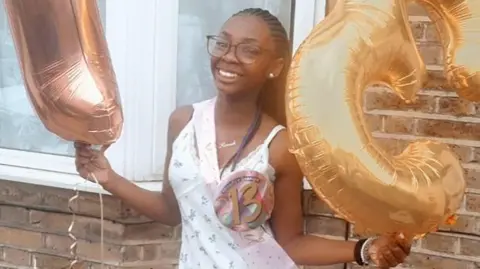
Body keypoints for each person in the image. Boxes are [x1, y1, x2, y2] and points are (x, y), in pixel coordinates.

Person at [75, 8, 411, 269]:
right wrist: (108, 177)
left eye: (249, 50)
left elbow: (291, 243)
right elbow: (172, 210)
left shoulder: (280, 146)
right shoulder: (184, 122)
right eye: (223, 43)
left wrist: (364, 250)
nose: (228, 57)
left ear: (275, 66)